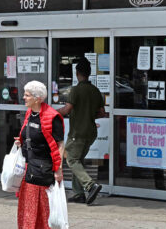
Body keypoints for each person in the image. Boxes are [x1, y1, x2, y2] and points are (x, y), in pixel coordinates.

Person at [14, 81, 64, 229]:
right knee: (28, 207)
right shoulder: (30, 114)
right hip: (28, 167)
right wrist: (21, 142)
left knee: (43, 209)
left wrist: (58, 169)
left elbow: (60, 145)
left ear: (38, 98)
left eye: (27, 95)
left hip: (43, 170)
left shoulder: (52, 117)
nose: (23, 97)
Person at [58, 57, 105, 205]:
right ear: (89, 73)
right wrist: (89, 115)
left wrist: (52, 113)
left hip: (77, 132)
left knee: (71, 159)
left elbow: (67, 109)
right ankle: (78, 193)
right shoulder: (95, 91)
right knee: (78, 160)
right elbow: (102, 113)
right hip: (90, 132)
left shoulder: (76, 90)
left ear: (77, 73)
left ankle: (90, 185)